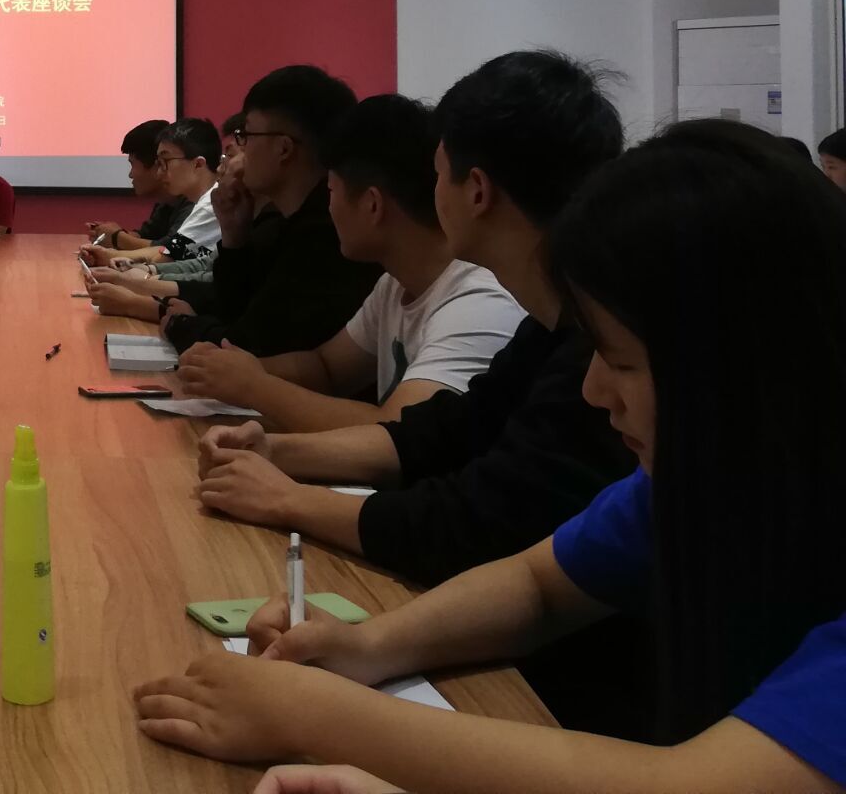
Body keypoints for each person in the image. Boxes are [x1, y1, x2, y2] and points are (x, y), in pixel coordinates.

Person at [133, 121, 846, 794]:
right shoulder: (692, 480)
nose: (595, 391)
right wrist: (366, 646)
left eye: (623, 363)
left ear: (748, 370)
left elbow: (693, 784)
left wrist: (313, 715)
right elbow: (539, 585)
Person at [194, 51, 638, 733]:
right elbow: (444, 430)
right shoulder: (550, 326)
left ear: (475, 189)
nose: (602, 387)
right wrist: (278, 452)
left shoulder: (549, 326)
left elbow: (474, 520)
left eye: (437, 173)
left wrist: (287, 496)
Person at [178, 95, 521, 431]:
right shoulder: (396, 282)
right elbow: (326, 367)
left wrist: (254, 385)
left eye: (331, 191)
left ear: (372, 205)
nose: (328, 208)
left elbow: (401, 432)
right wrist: (230, 369)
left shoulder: (478, 301)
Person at [98, 67, 377, 357]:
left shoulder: (321, 233)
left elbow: (250, 343)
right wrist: (233, 237)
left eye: (245, 137)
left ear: (283, 149)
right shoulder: (276, 219)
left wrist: (175, 318)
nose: (232, 159)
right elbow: (234, 304)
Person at [99, 118, 222, 265]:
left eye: (166, 161)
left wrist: (112, 253)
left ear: (198, 164)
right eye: (159, 163)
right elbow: (168, 250)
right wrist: (110, 254)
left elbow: (165, 258)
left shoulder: (211, 204)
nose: (159, 173)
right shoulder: (203, 201)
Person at [87, 120, 183, 251]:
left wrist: (117, 237)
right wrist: (108, 234)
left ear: (157, 165)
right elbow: (146, 236)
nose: (130, 175)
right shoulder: (166, 203)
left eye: (132, 164)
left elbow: (171, 251)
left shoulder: (195, 204)